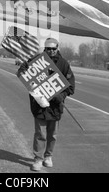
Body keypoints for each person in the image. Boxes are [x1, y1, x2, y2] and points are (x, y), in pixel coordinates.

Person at [18, 37, 75, 172]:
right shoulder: (35, 61)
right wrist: (24, 68)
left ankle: (48, 156)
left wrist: (61, 95)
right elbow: (22, 73)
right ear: (45, 48)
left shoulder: (64, 64)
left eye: (53, 49)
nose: (50, 51)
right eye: (48, 48)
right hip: (39, 105)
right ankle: (38, 159)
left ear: (57, 48)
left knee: (52, 134)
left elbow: (71, 87)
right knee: (40, 134)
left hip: (55, 107)